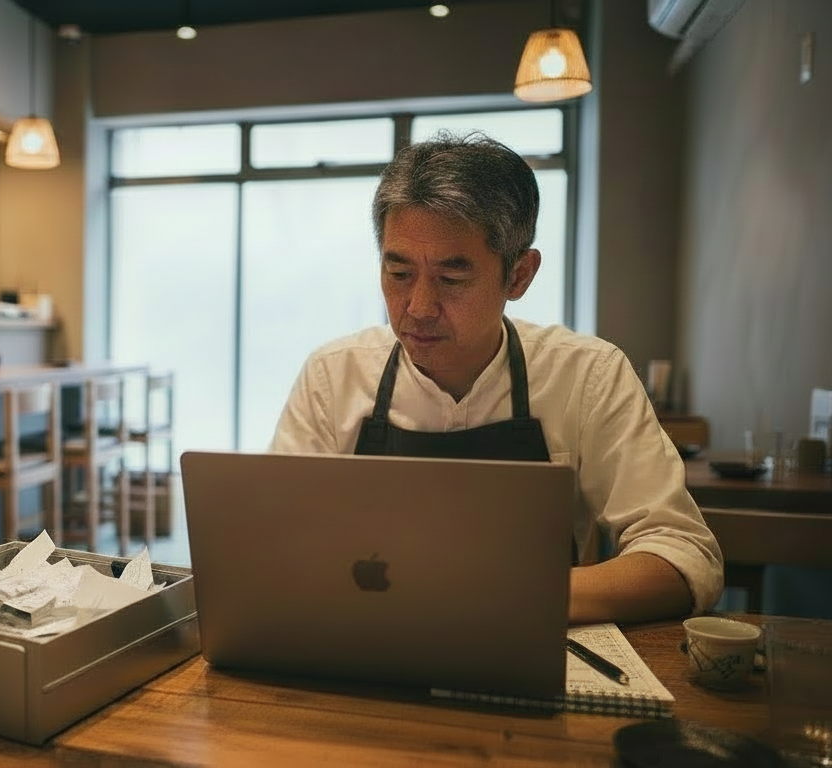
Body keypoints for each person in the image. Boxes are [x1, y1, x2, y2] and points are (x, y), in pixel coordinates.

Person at [269, 131, 722, 625]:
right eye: (399, 275)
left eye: (452, 278)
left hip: (532, 645)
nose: (418, 309)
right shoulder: (333, 376)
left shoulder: (586, 375)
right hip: (366, 640)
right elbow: (277, 541)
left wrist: (514, 598)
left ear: (519, 275)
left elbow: (682, 555)